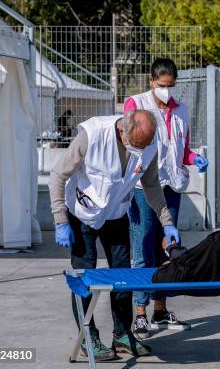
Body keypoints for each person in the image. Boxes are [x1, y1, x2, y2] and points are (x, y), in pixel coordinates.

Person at [49, 110, 173, 360]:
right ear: (122, 132)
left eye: (145, 145)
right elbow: (58, 176)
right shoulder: (92, 134)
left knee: (123, 275)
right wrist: (60, 220)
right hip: (82, 213)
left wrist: (167, 221)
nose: (141, 150)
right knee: (84, 277)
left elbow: (151, 185)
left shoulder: (149, 143)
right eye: (137, 145)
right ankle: (88, 337)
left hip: (116, 214)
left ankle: (122, 334)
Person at [123, 58, 207, 337]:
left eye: (171, 86)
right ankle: (139, 313)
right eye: (162, 86)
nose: (167, 91)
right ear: (151, 81)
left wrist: (196, 158)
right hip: (143, 187)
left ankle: (160, 310)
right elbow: (129, 144)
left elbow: (183, 151)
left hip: (172, 186)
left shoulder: (181, 110)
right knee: (142, 246)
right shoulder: (135, 104)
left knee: (166, 248)